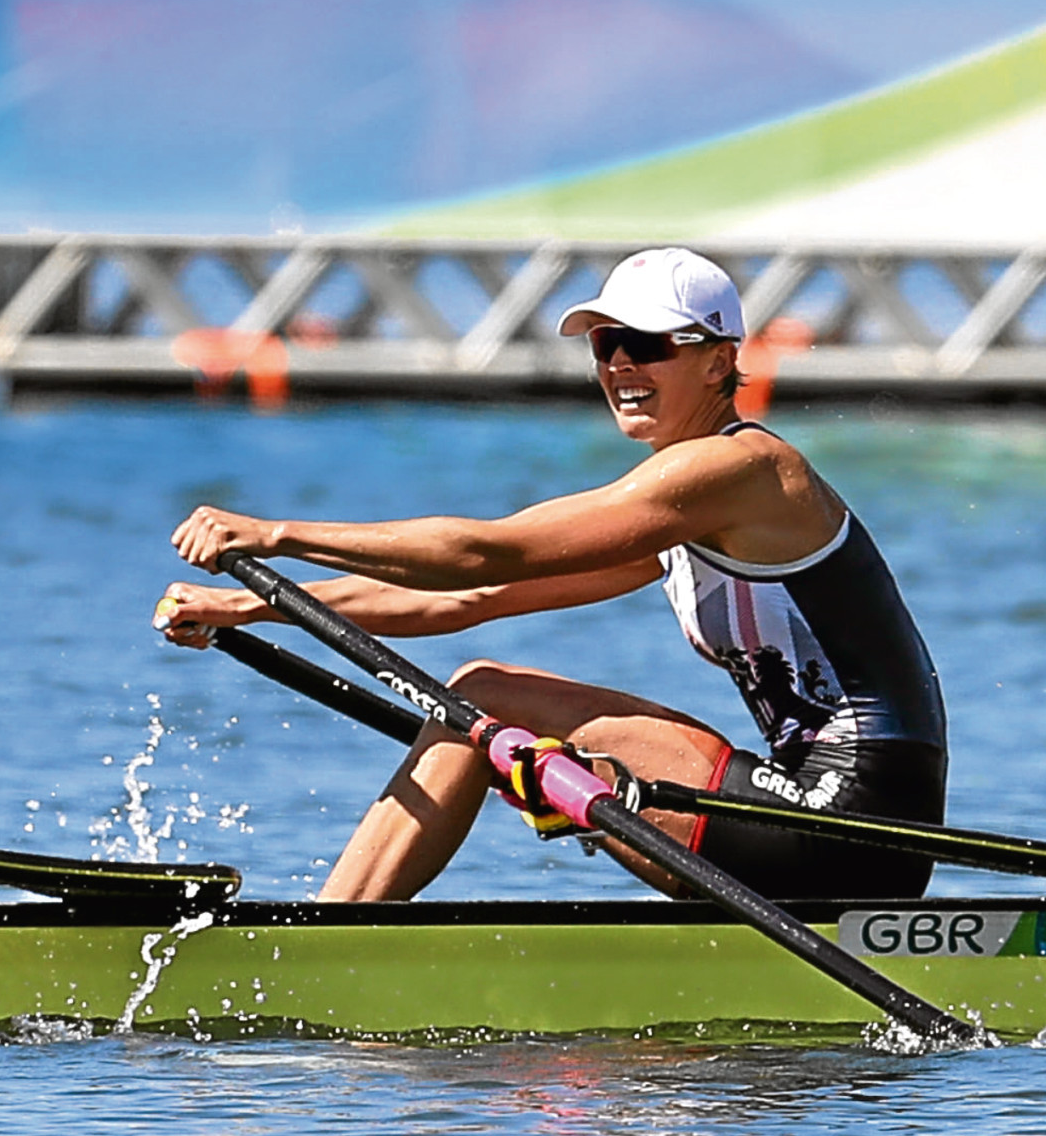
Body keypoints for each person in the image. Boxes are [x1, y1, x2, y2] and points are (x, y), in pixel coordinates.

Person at [154, 246, 944, 903]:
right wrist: (253, 607)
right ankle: (339, 926)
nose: (622, 366)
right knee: (481, 702)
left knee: (486, 699)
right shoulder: (689, 512)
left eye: (650, 346)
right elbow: (468, 596)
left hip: (855, 825)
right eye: (607, 347)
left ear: (721, 362)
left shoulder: (742, 470)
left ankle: (329, 939)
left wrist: (278, 535)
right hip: (800, 805)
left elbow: (486, 552)